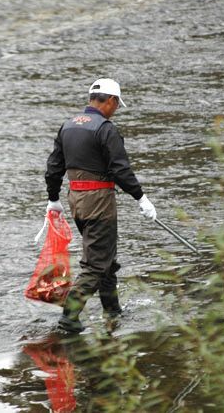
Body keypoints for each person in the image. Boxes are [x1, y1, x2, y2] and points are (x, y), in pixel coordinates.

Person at [45, 78, 157, 333]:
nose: (115, 110)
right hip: (99, 203)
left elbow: (53, 168)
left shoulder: (68, 126)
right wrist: (141, 198)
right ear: (111, 101)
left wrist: (54, 199)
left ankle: (112, 310)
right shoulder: (106, 129)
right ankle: (69, 317)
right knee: (96, 264)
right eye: (116, 105)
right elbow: (120, 169)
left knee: (104, 256)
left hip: (77, 201)